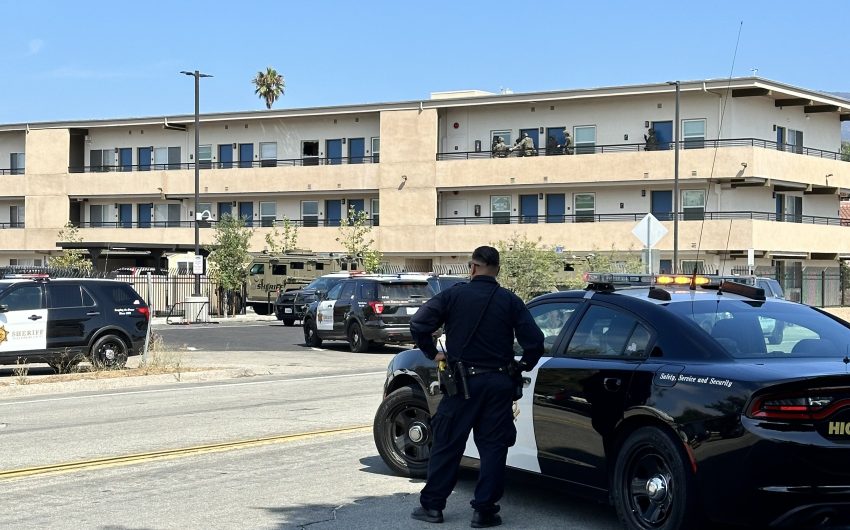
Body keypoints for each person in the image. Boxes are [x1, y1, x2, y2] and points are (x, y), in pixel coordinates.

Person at [409, 246, 545, 528]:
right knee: (494, 447)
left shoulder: (453, 295)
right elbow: (535, 341)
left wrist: (433, 352)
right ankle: (484, 511)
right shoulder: (509, 300)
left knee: (447, 443)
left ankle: (433, 507)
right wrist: (521, 367)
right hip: (498, 384)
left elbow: (419, 323)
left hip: (462, 384)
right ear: (497, 269)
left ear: (473, 267)